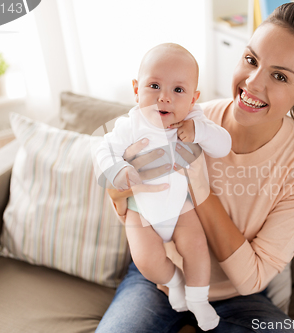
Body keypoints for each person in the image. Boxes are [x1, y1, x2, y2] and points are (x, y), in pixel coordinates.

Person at [96, 2, 294, 332]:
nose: (252, 83)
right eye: (251, 60)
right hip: (161, 278)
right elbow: (125, 195)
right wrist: (118, 189)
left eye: (279, 76)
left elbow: (251, 278)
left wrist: (199, 185)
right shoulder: (183, 115)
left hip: (237, 296)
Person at [95, 43, 231, 331]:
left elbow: (223, 146)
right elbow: (101, 149)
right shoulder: (130, 124)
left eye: (178, 91)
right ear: (136, 89)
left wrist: (201, 132)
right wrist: (118, 168)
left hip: (180, 204)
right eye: (154, 86)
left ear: (194, 98)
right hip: (139, 207)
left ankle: (198, 299)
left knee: (196, 247)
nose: (164, 98)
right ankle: (174, 281)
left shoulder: (195, 119)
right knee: (145, 259)